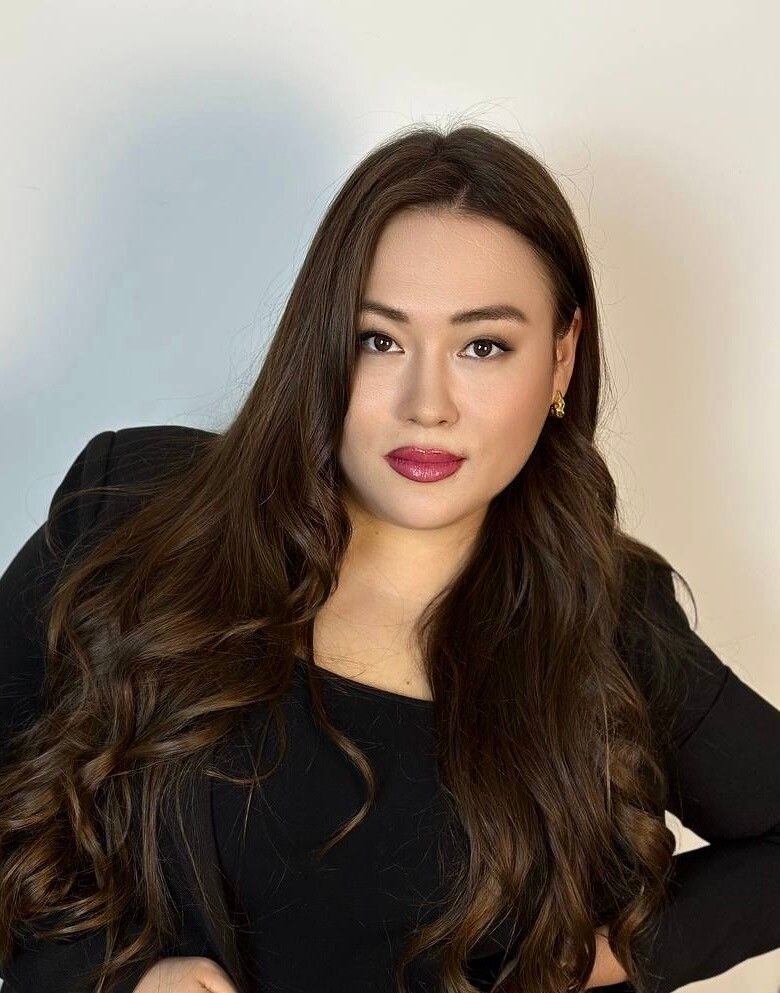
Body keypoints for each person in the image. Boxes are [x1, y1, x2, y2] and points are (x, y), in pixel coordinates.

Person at [1, 123, 778, 993]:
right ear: (322, 341)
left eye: (483, 345)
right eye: (380, 339)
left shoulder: (610, 620)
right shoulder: (134, 509)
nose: (426, 404)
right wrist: (111, 979)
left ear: (560, 357)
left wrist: (583, 961)